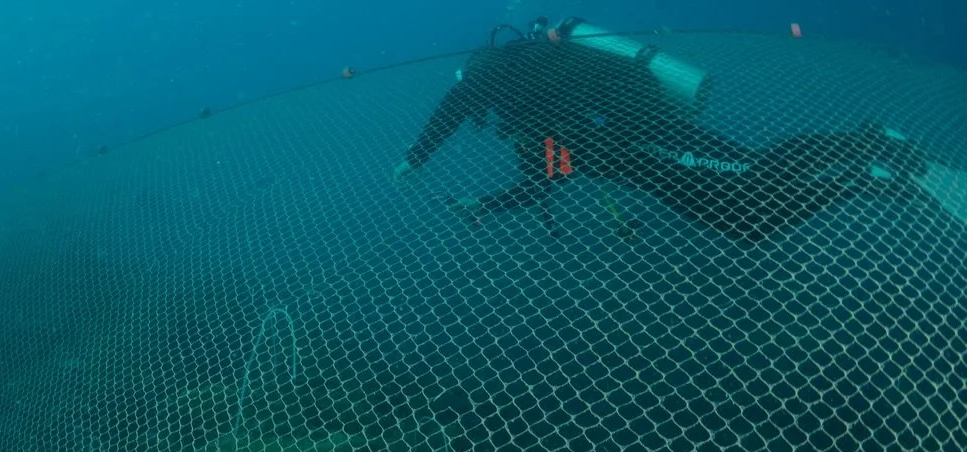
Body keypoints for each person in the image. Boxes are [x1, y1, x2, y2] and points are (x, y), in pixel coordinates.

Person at [393, 18, 967, 244]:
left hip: (653, 139)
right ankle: (874, 173)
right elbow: (549, 180)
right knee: (750, 224)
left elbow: (456, 101)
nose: (490, 121)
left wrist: (417, 158)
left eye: (484, 108)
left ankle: (871, 143)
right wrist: (484, 205)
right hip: (664, 176)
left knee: (755, 174)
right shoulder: (539, 128)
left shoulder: (510, 80)